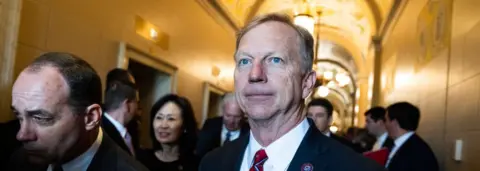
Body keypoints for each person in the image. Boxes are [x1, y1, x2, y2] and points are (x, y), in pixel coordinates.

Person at [199, 13, 384, 171]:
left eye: (275, 60)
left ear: (306, 83)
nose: (255, 74)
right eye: (244, 61)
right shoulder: (213, 163)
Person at [8, 52, 148, 171]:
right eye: (19, 116)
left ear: (91, 117)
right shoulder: (19, 159)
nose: (22, 135)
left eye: (40, 118)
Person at [137, 94, 199, 171]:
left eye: (171, 119)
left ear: (185, 126)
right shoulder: (140, 159)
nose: (163, 125)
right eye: (159, 118)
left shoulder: (196, 165)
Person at [384, 102, 439, 171]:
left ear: (394, 122)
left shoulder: (419, 152)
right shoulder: (395, 145)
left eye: (386, 120)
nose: (384, 125)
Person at [197, 92, 250, 158]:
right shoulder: (210, 125)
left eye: (236, 116)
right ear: (222, 111)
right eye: (228, 115)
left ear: (243, 115)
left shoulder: (250, 132)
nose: (231, 121)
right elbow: (200, 153)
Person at [102, 68, 140, 156]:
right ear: (127, 105)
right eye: (137, 102)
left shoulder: (132, 132)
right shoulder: (99, 134)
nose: (138, 108)